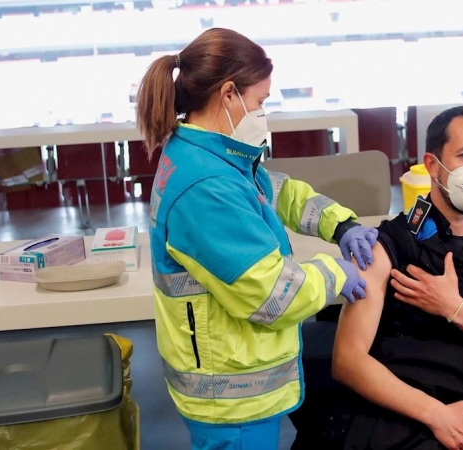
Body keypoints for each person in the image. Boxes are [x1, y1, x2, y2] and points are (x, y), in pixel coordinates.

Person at [135, 28, 378, 449]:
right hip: (232, 402)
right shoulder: (206, 187)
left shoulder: (209, 155)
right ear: (228, 94)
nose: (263, 112)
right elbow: (270, 293)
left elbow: (277, 191)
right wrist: (333, 274)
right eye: (260, 101)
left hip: (231, 375)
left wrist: (339, 224)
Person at [329, 106, 463, 450]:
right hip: (406, 411)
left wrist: (455, 308)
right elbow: (347, 360)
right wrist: (437, 415)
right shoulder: (393, 242)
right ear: (432, 164)